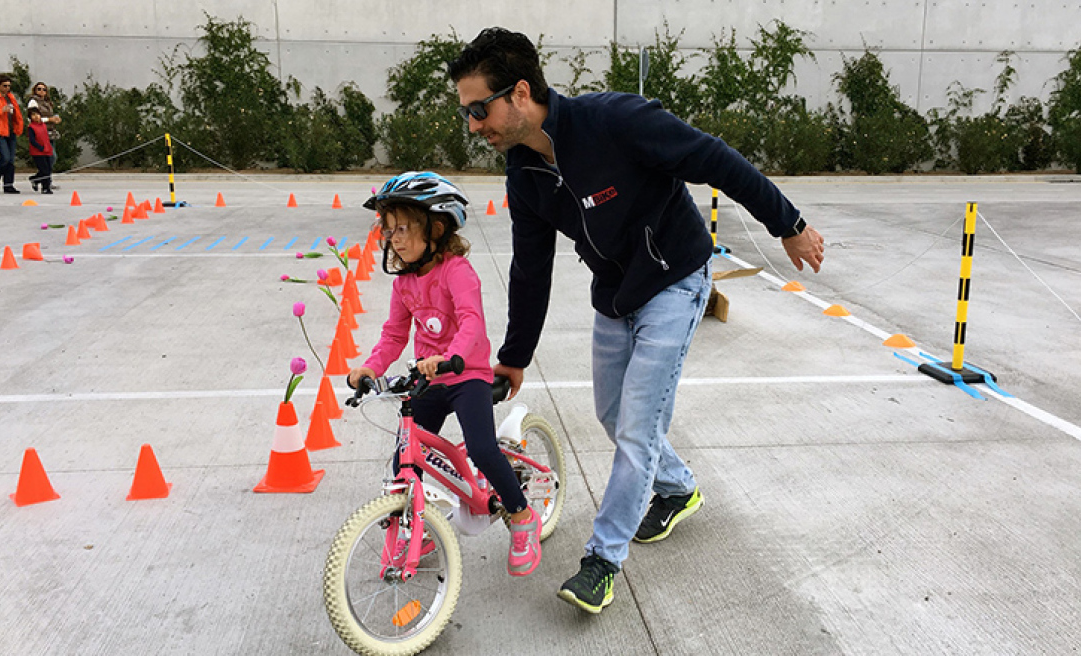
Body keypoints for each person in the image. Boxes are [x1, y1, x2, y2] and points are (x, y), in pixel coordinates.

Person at [449, 27, 826, 614]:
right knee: (611, 413)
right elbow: (530, 269)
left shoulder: (614, 120)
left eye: (479, 110)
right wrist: (515, 356)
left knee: (635, 429)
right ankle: (678, 488)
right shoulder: (524, 173)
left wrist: (788, 222)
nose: (474, 126)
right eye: (467, 114)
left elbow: (713, 157)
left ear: (520, 93)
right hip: (617, 294)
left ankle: (602, 560)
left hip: (676, 279)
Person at [346, 171, 544, 578]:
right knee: (408, 456)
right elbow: (394, 333)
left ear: (436, 227)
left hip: (465, 375)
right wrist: (372, 367)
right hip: (428, 379)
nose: (393, 238)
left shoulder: (457, 272)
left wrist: (450, 356)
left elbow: (471, 322)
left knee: (483, 449)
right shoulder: (404, 283)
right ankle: (419, 521)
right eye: (387, 229)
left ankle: (522, 517)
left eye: (402, 227)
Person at [26, 82, 61, 191]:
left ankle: (40, 179)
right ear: (35, 90)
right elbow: (32, 118)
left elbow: (49, 116)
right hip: (38, 132)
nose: (42, 91)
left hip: (49, 132)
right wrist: (49, 120)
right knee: (50, 158)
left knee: (51, 157)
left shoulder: (47, 102)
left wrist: (55, 119)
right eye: (39, 89)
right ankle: (43, 180)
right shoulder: (33, 102)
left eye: (44, 89)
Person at [0, 73, 24, 194]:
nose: (7, 88)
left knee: (11, 160)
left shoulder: (10, 97)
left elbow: (16, 113)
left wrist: (19, 126)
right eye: (5, 86)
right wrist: (1, 110)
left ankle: (8, 184)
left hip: (11, 130)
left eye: (8, 86)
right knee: (5, 157)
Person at [26, 108, 53, 194]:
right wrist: (40, 147)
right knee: (44, 170)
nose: (36, 116)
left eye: (37, 114)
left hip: (47, 150)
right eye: (33, 115)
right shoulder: (31, 127)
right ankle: (45, 188)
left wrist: (48, 147)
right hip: (37, 152)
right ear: (30, 118)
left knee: (48, 169)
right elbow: (32, 140)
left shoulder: (43, 125)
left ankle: (35, 179)